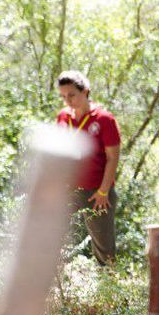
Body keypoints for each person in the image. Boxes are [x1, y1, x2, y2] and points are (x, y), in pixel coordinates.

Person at [56, 70, 120, 265]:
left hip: (96, 191)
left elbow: (113, 158)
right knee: (54, 237)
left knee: (104, 246)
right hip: (68, 189)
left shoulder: (103, 119)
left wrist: (103, 191)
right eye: (63, 96)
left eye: (72, 95)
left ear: (85, 91)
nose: (68, 101)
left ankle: (108, 286)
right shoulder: (63, 117)